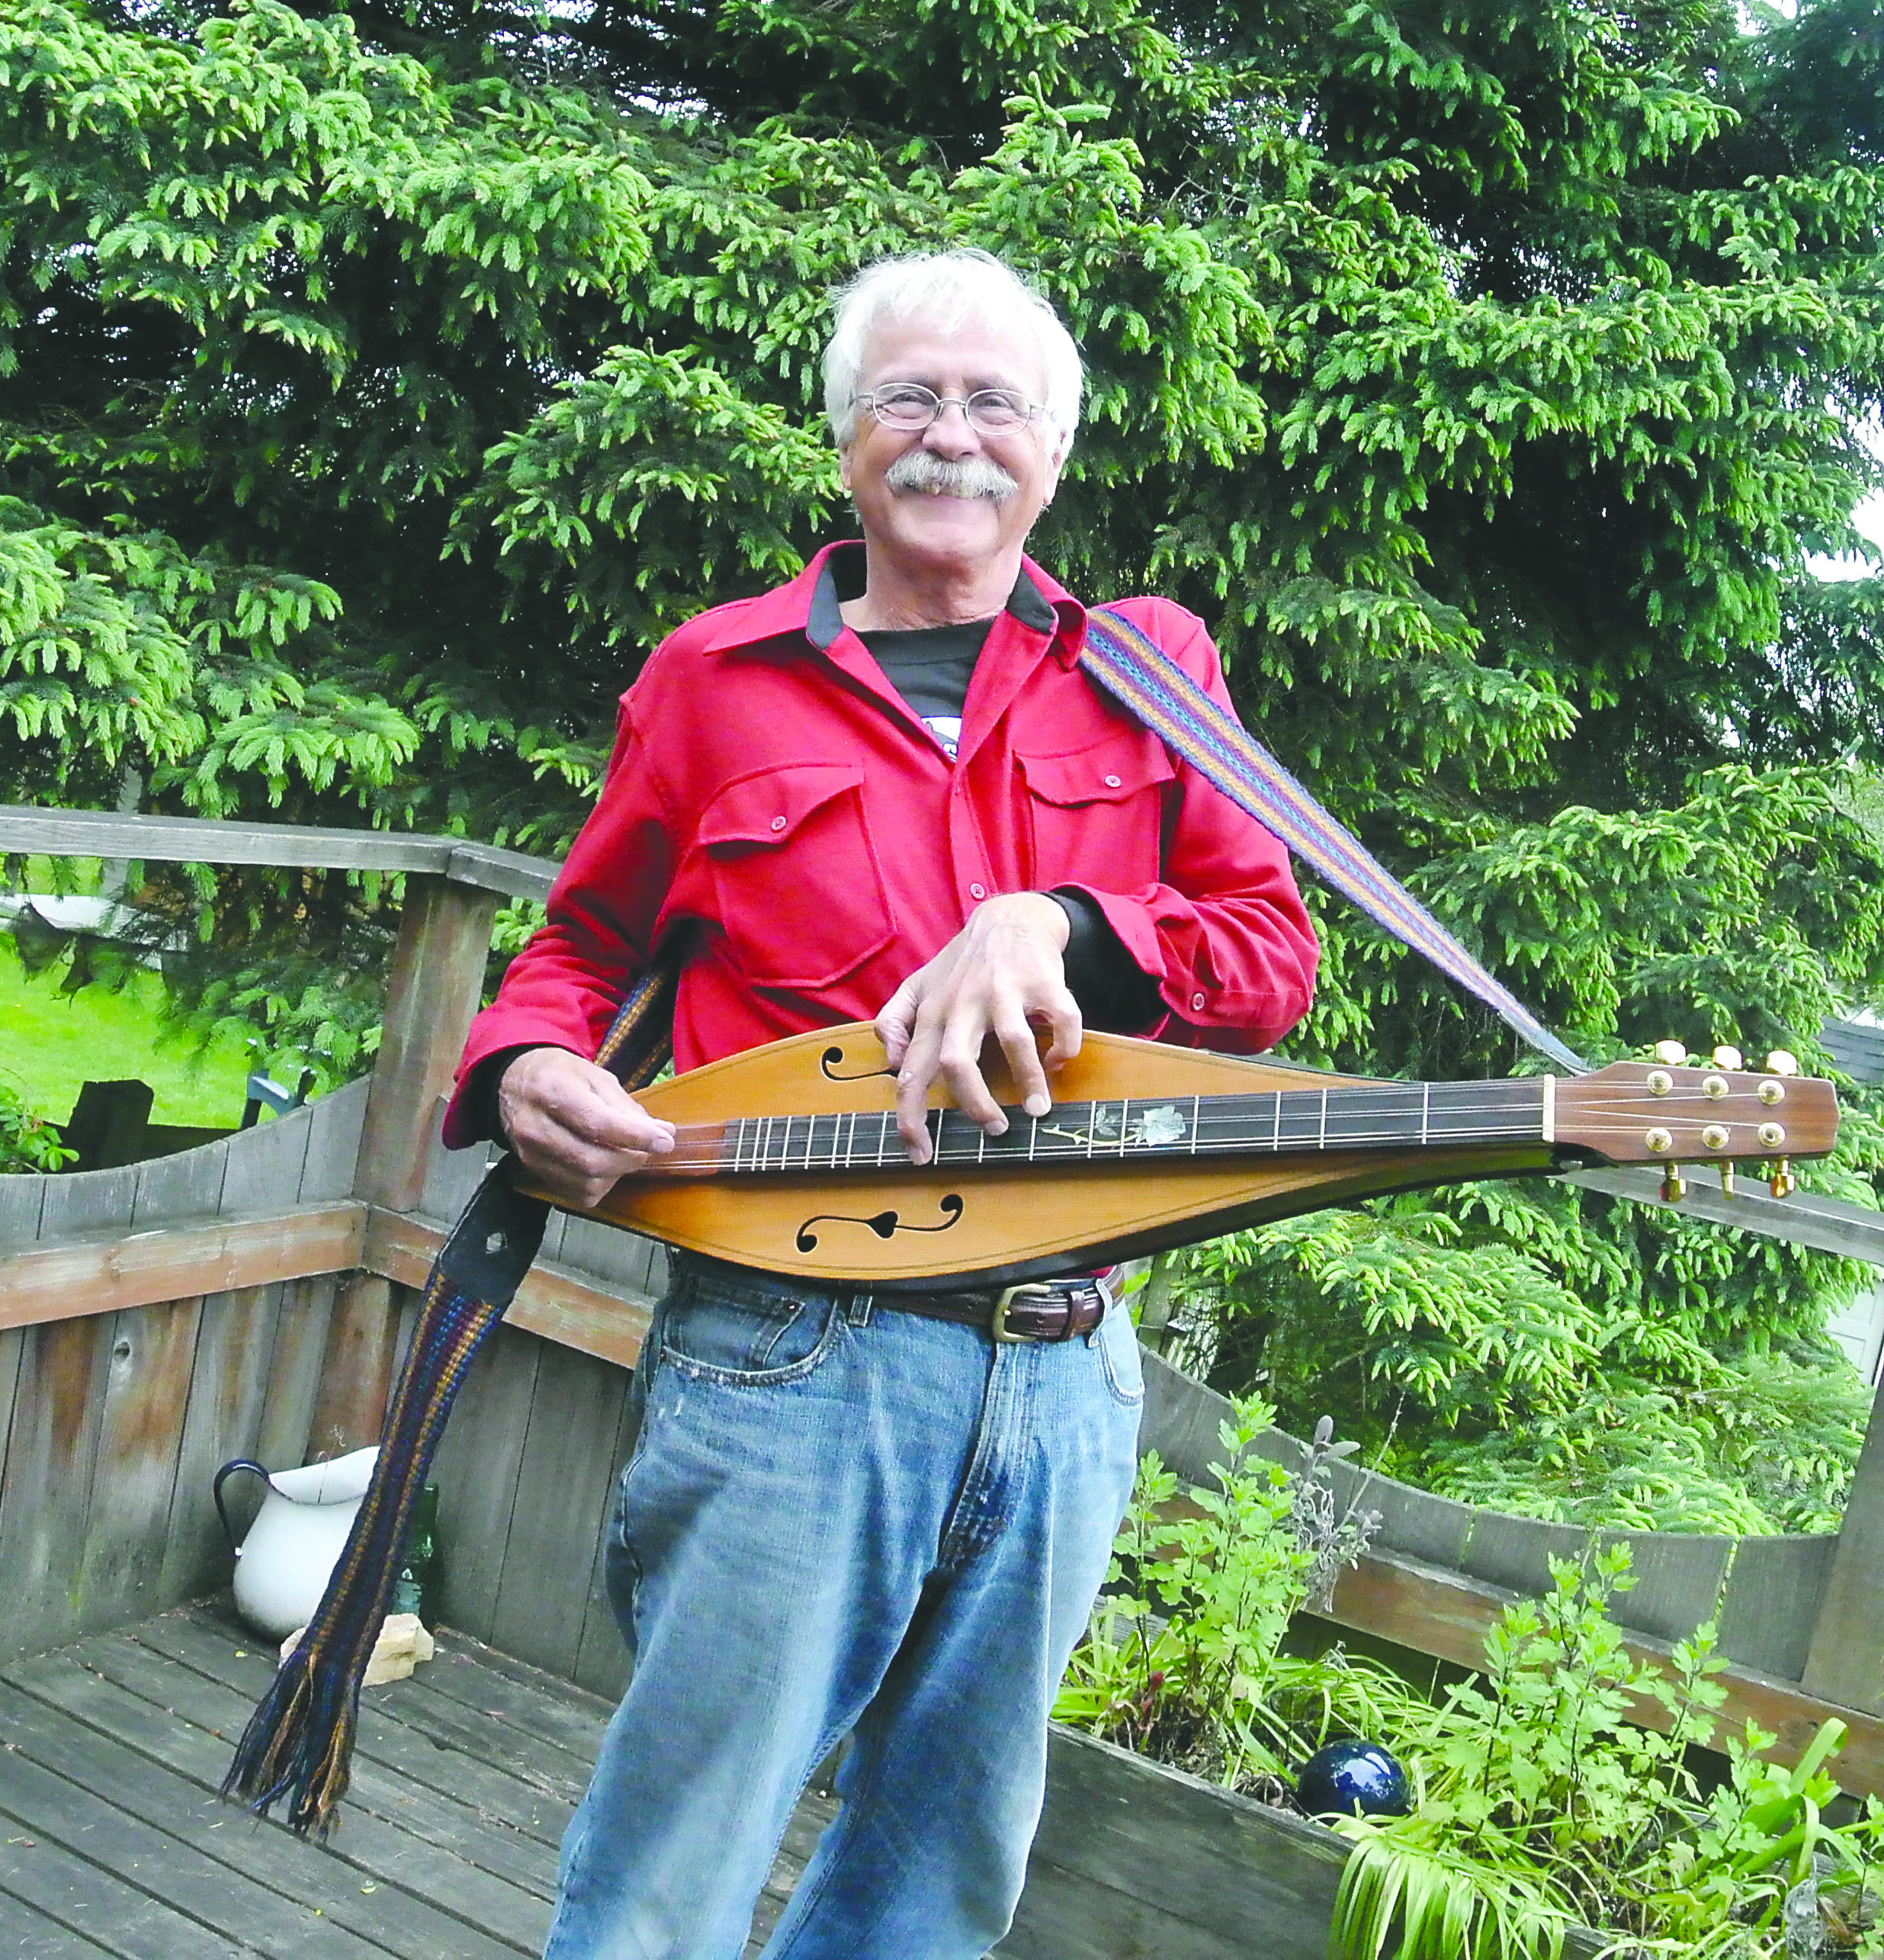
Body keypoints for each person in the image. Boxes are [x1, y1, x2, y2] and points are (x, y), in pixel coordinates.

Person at [443, 248, 1319, 1960]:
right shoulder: (713, 678)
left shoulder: (1146, 673)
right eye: (908, 396)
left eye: (997, 403)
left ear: (1053, 454)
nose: (951, 437)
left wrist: (1059, 921)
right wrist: (528, 1066)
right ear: (845, 436)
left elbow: (1263, 959)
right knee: (677, 1862)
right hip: (792, 1351)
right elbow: (579, 948)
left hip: (1068, 1365)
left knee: (936, 1875)